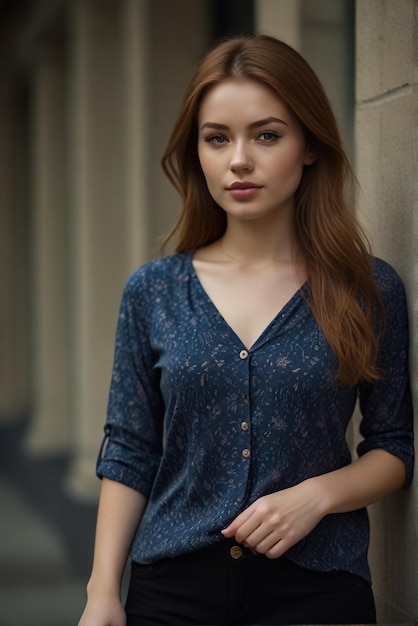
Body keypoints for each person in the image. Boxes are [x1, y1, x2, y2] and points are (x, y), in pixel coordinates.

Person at [78, 34, 414, 626]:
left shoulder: (367, 287)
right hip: (172, 592)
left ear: (308, 146)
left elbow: (394, 446)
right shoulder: (154, 291)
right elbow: (130, 450)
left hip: (318, 590)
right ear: (197, 152)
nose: (239, 159)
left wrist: (316, 497)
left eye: (266, 135)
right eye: (217, 138)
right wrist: (103, 592)